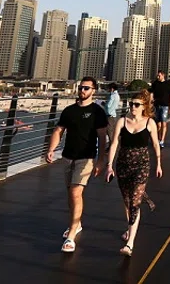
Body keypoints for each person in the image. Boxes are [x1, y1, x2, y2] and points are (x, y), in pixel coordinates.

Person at [45, 76, 108, 253]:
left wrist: (101, 160)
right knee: (70, 194)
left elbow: (103, 137)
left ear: (93, 91)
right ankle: (77, 223)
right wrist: (51, 149)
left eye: (87, 88)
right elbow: (59, 130)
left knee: (75, 192)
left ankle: (71, 234)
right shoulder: (69, 111)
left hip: (86, 158)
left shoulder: (97, 112)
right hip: (67, 157)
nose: (82, 91)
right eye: (81, 87)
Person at [105, 89, 162, 257]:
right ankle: (130, 228)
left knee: (135, 202)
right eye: (131, 104)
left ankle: (130, 244)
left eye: (137, 105)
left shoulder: (149, 123)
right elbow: (114, 143)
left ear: (144, 106)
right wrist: (109, 165)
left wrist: (158, 164)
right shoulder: (122, 122)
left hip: (142, 165)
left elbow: (156, 145)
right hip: (123, 165)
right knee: (128, 202)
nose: (133, 107)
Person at [150, 71, 170, 148]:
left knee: (164, 123)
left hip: (165, 106)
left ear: (163, 75)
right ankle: (159, 138)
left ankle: (162, 140)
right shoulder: (155, 83)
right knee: (158, 125)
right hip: (157, 105)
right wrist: (151, 101)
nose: (158, 77)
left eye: (159, 76)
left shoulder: (168, 84)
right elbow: (151, 93)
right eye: (157, 76)